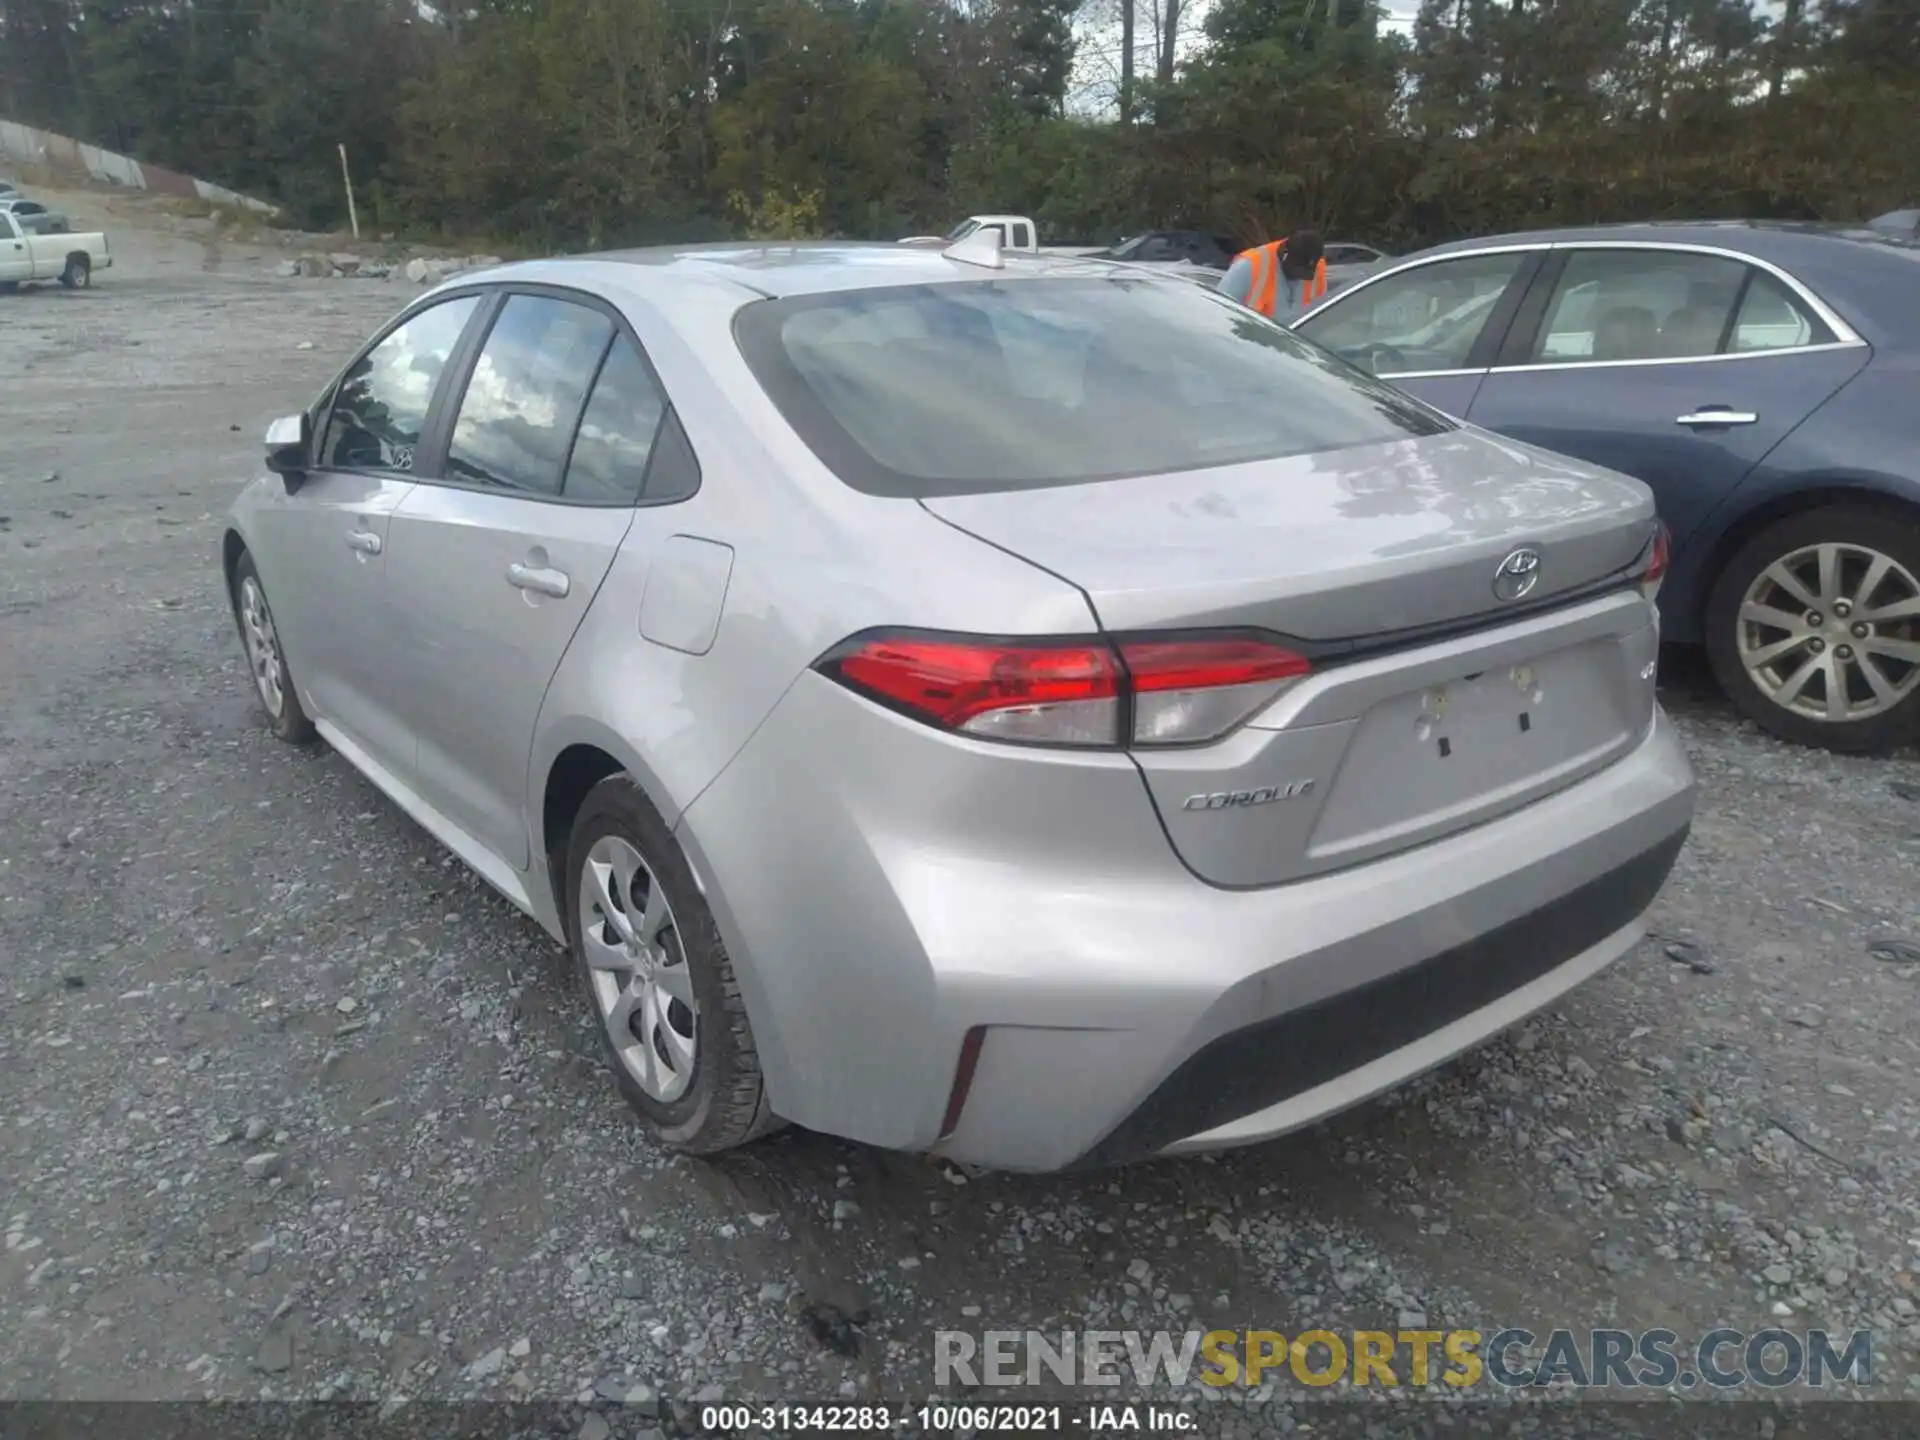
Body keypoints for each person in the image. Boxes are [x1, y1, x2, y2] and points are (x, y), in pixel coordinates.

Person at [1217, 230, 1328, 318]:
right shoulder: (1249, 266)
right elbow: (1220, 311)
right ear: (1284, 254)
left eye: (1308, 272)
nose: (1302, 275)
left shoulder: (1318, 267)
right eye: (1298, 268)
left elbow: (1321, 316)